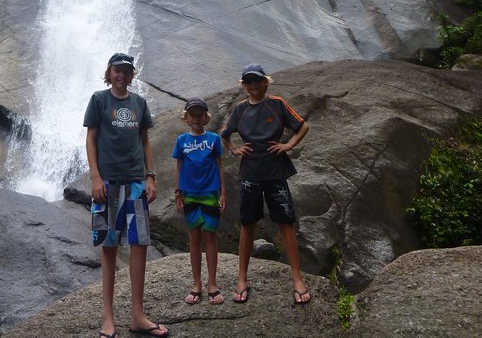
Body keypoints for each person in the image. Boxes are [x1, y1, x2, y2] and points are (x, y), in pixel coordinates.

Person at [84, 53, 170, 338]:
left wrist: (150, 175)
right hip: (107, 184)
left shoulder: (139, 103)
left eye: (126, 71)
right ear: (109, 72)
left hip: (135, 182)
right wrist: (95, 177)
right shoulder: (99, 100)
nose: (121, 74)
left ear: (132, 75)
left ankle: (137, 315)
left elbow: (145, 141)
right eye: (116, 70)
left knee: (139, 245)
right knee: (109, 247)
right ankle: (107, 318)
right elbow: (91, 139)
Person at [220, 63, 312, 305]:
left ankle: (297, 278)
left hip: (275, 172)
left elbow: (303, 126)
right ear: (244, 85)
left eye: (256, 81)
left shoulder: (277, 103)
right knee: (247, 224)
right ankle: (242, 278)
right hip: (250, 173)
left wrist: (288, 145)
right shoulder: (240, 110)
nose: (252, 85)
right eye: (247, 82)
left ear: (264, 82)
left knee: (285, 223)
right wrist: (234, 150)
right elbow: (224, 134)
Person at [171, 97, 226, 306]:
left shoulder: (213, 139)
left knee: (210, 236)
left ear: (205, 117)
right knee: (194, 237)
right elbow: (178, 167)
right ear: (186, 118)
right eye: (191, 114)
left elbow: (220, 166)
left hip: (210, 193)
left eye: (199, 114)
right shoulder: (181, 140)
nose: (195, 118)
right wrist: (178, 193)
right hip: (190, 194)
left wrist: (223, 193)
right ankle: (197, 284)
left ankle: (212, 283)